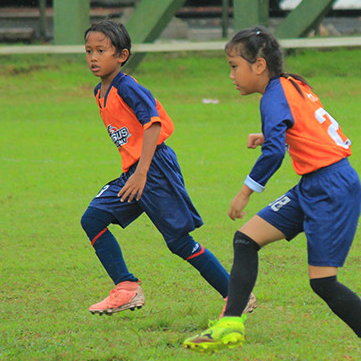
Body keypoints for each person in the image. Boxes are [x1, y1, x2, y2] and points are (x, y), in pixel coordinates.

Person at [182, 26, 361, 361]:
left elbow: (275, 152)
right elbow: (305, 127)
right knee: (245, 239)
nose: (231, 75)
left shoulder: (273, 96)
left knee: (324, 283)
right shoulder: (291, 84)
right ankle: (231, 322)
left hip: (332, 188)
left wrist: (245, 192)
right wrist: (270, 134)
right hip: (314, 183)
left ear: (258, 66)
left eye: (234, 66)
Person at [81, 20, 243, 317]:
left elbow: (153, 124)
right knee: (92, 219)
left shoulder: (128, 87)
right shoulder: (99, 91)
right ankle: (126, 288)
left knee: (180, 243)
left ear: (122, 55)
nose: (93, 57)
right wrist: (135, 172)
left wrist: (142, 173)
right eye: (89, 50)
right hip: (134, 172)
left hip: (153, 169)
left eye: (101, 50)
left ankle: (236, 297)